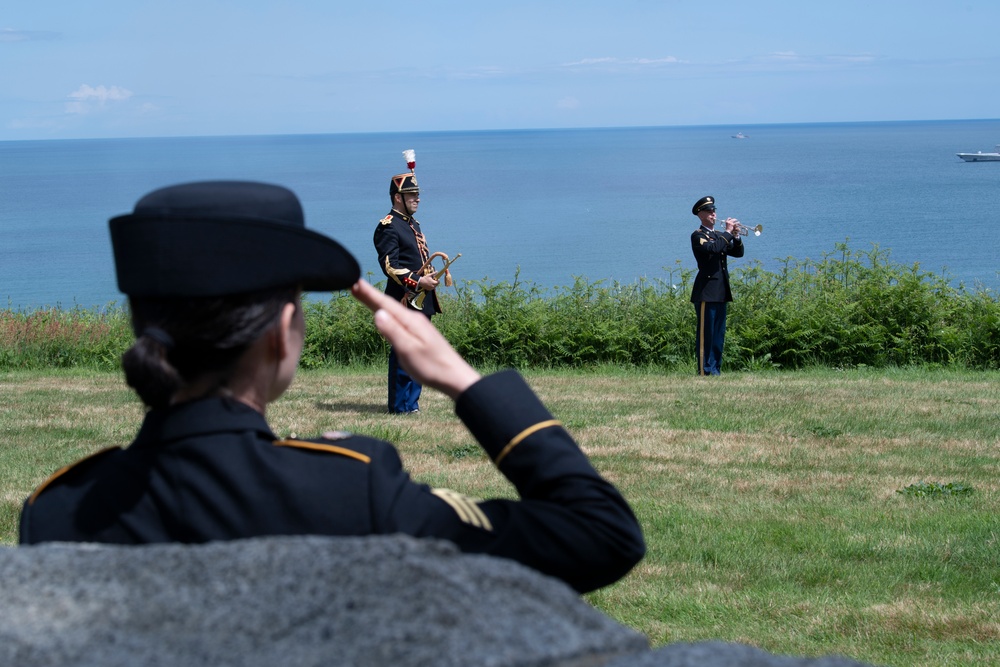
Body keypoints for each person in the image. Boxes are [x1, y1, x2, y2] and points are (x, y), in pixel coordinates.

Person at [19, 180, 645, 594]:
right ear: (281, 332)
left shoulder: (53, 513)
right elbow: (600, 536)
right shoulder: (353, 486)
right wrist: (463, 381)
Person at [373, 155, 439, 414]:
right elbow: (390, 265)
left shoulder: (413, 225)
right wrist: (417, 279)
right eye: (411, 195)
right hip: (404, 299)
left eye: (418, 194)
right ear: (397, 197)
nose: (417, 199)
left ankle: (412, 403)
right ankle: (401, 406)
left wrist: (429, 277)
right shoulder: (387, 227)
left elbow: (419, 257)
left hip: (421, 299)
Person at [690, 195, 745, 376]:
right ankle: (705, 370)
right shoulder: (698, 236)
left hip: (721, 290)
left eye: (714, 210)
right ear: (701, 215)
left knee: (718, 335)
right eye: (709, 211)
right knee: (707, 334)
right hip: (706, 291)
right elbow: (713, 250)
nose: (714, 214)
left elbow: (738, 253)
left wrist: (736, 236)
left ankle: (715, 369)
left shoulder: (719, 236)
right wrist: (728, 233)